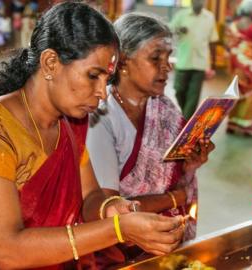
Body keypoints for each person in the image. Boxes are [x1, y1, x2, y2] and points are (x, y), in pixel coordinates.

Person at [0, 3, 184, 269]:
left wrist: (111, 208)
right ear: (50, 63)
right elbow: (7, 251)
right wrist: (117, 230)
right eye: (94, 75)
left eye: (107, 79)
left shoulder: (70, 123)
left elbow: (90, 195)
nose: (103, 93)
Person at [87, 12, 214, 265]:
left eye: (168, 58)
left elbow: (175, 175)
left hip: (166, 240)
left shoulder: (165, 109)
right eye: (156, 58)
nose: (167, 66)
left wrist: (189, 166)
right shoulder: (102, 117)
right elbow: (106, 210)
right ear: (122, 61)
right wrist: (174, 199)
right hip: (120, 250)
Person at [170, 0, 219, 119]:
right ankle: (185, 115)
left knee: (193, 96)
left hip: (200, 63)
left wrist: (213, 65)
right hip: (183, 61)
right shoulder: (181, 15)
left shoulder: (209, 17)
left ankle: (186, 123)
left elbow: (213, 41)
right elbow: (169, 30)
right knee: (179, 90)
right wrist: (179, 30)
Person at [224, 0, 252, 136]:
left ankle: (232, 123)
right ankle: (246, 125)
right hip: (250, 65)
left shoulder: (233, 25)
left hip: (236, 64)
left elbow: (228, 45)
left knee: (236, 92)